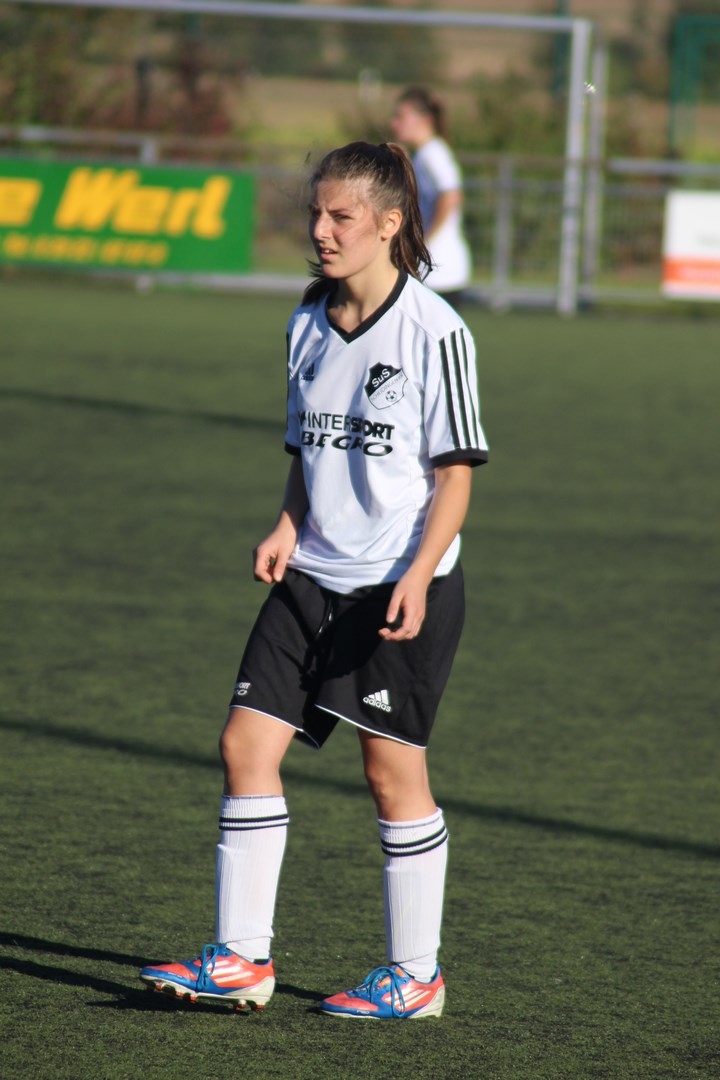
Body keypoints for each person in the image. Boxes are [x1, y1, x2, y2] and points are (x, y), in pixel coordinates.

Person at [139, 141, 488, 1021]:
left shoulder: (435, 331)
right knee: (244, 747)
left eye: (341, 217)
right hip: (308, 579)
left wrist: (418, 575)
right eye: (315, 214)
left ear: (389, 223)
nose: (321, 231)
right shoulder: (305, 320)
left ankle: (416, 975)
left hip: (394, 586)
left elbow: (454, 477)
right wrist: (287, 523)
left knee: (390, 776)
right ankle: (240, 959)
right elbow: (309, 451)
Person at [391, 86, 472, 308]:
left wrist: (422, 243)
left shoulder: (433, 153)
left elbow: (451, 195)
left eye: (401, 117)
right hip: (435, 269)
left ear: (425, 120)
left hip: (440, 271)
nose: (394, 124)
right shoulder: (424, 154)